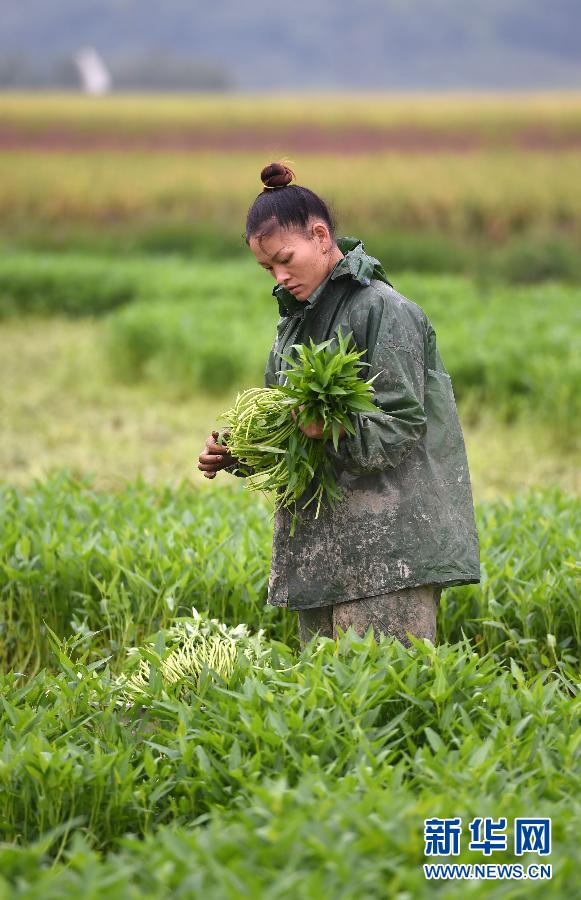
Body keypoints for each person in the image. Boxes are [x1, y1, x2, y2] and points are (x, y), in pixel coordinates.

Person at [197, 161, 481, 650]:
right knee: (326, 692)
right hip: (321, 555)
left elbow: (400, 424)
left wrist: (333, 429)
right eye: (268, 269)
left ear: (321, 236)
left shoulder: (384, 310)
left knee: (384, 687)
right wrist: (243, 453)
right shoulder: (294, 324)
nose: (279, 276)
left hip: (389, 553)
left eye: (285, 259)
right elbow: (291, 428)